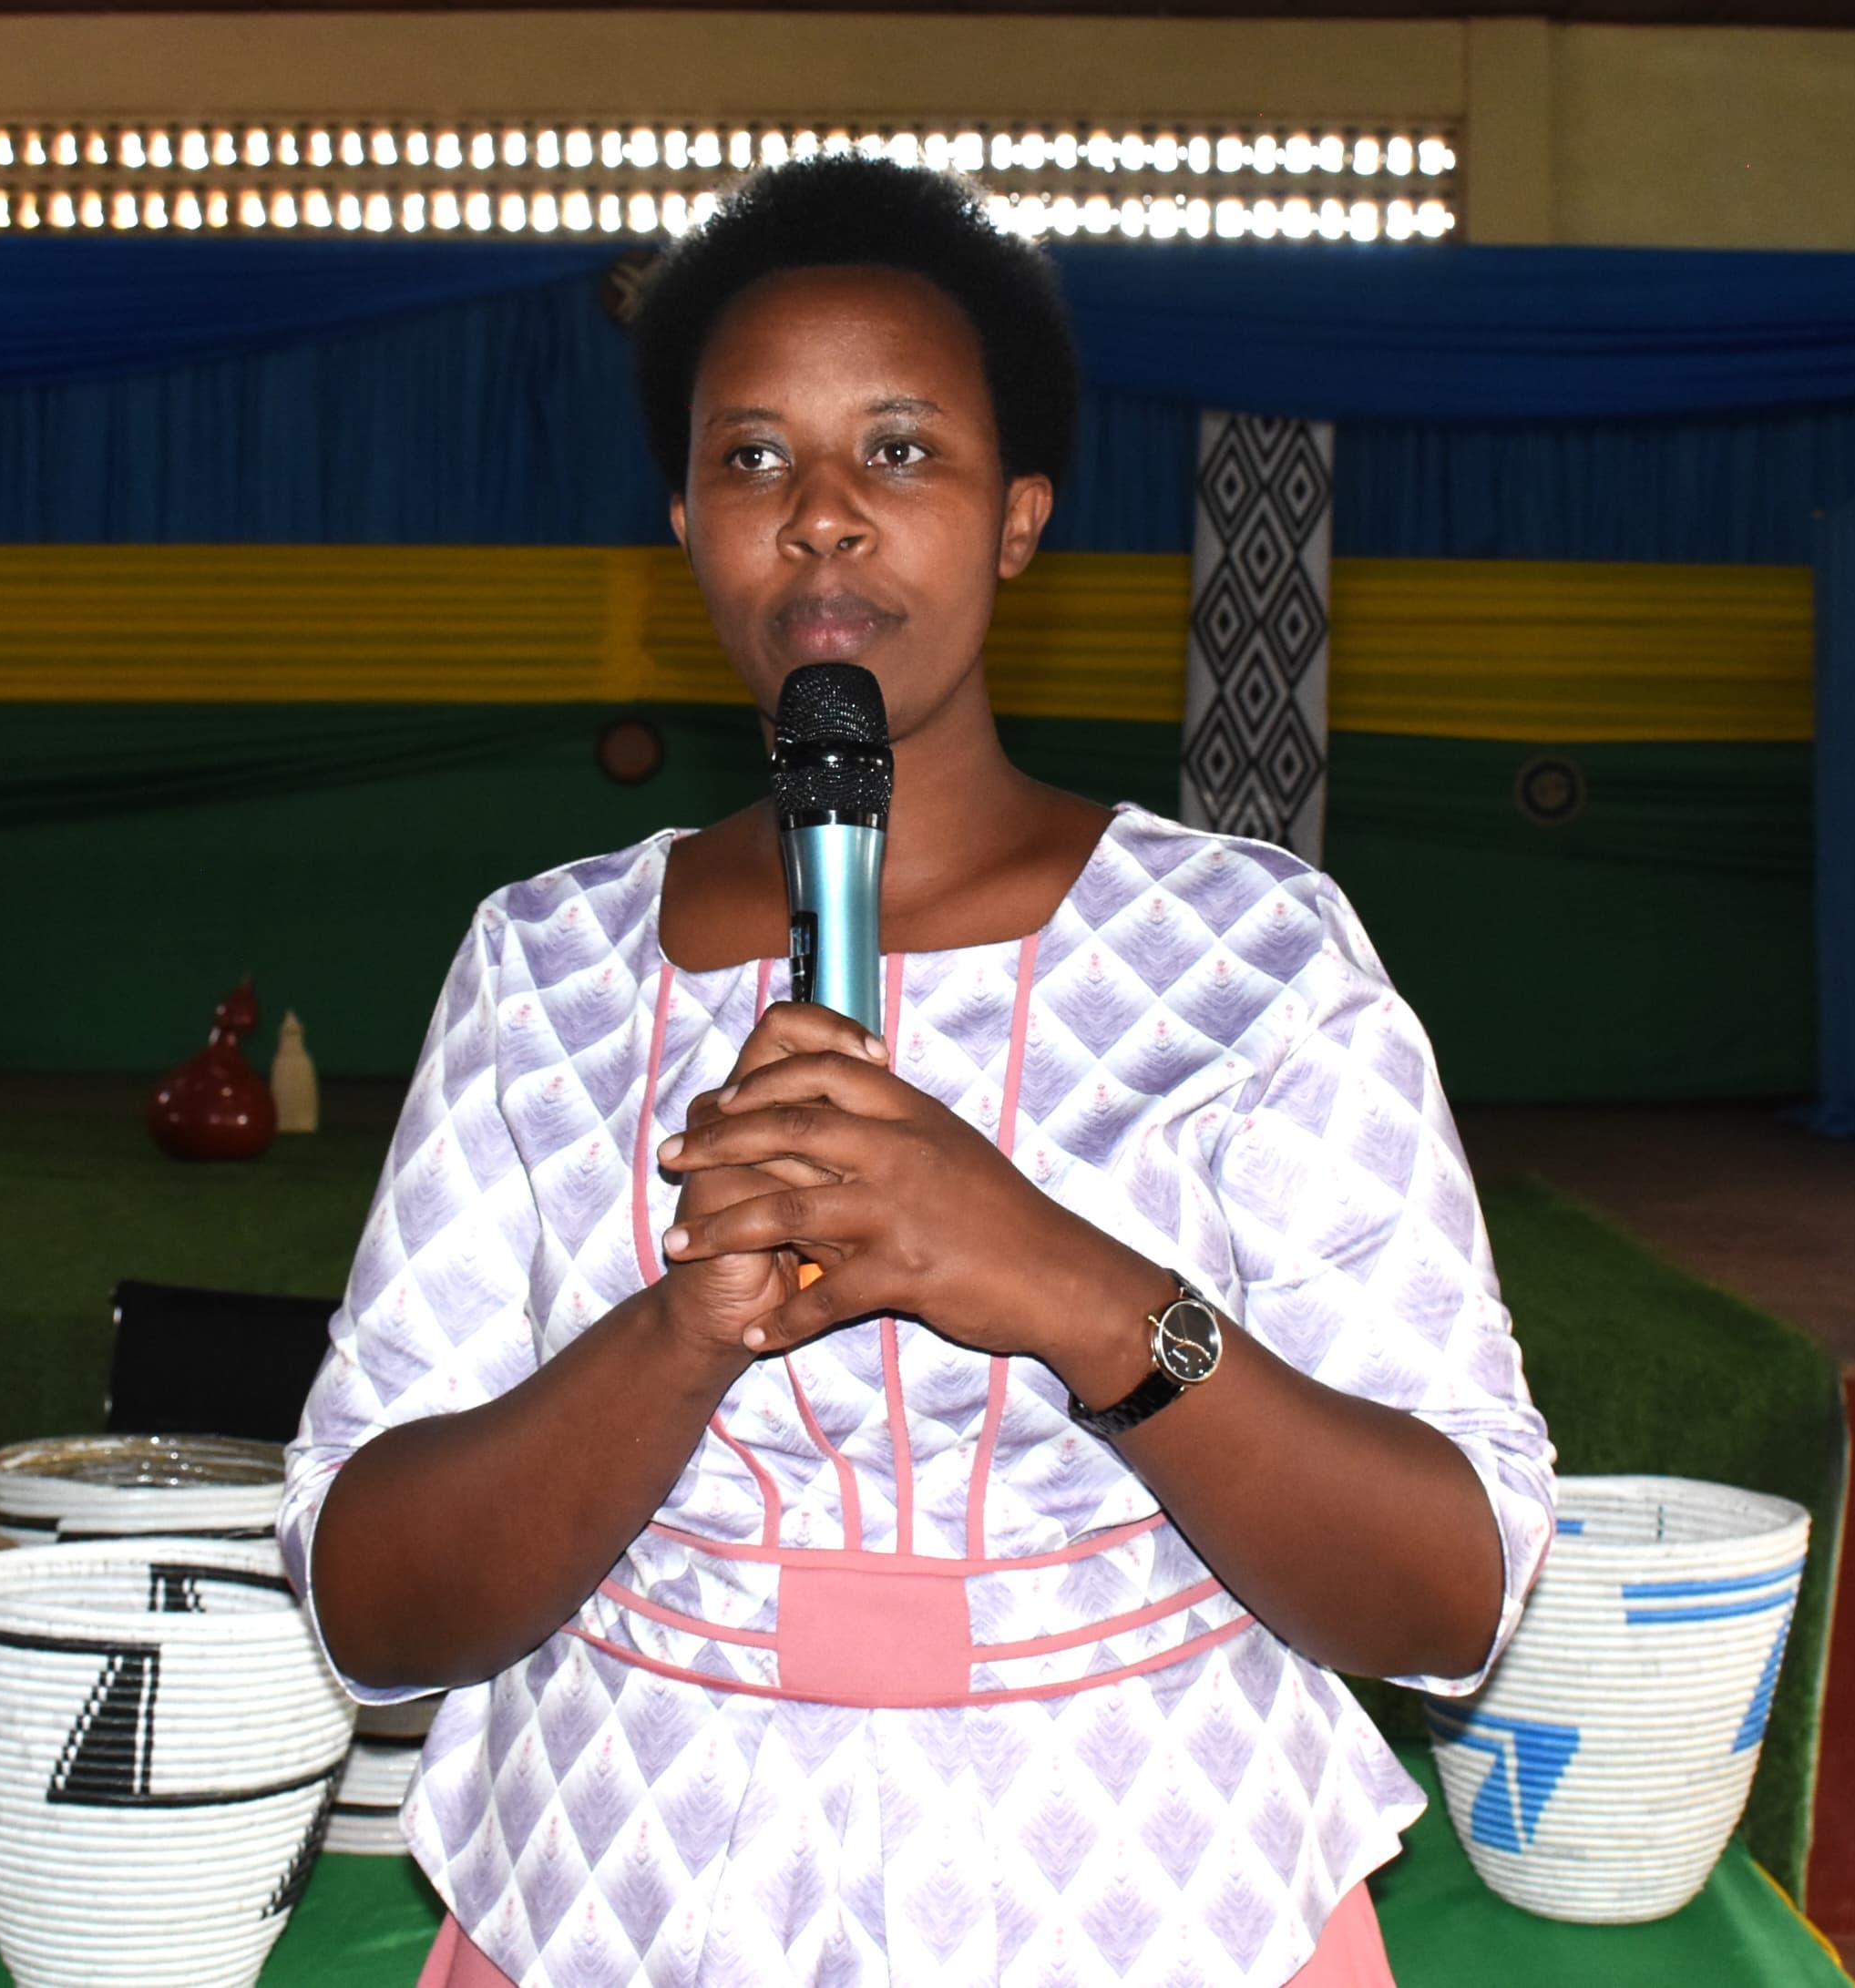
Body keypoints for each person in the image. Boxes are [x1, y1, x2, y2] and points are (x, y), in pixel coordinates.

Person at [280, 156, 1555, 1988]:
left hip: (1156, 1907)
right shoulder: (545, 962)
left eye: (898, 450)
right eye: (751, 458)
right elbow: (368, 1604)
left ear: (1018, 517)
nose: (820, 517)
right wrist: (676, 1334)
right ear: (682, 523)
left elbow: (1453, 1592)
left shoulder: (1254, 954)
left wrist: (1072, 1288)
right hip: (616, 1903)